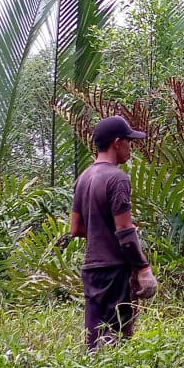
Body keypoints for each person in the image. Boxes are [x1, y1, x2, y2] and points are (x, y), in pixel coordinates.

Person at [69, 115, 159, 350]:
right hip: (114, 271)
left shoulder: (83, 178)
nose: (131, 148)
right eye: (129, 142)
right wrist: (143, 269)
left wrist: (102, 230)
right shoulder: (117, 179)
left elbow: (76, 228)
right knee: (117, 340)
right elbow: (125, 232)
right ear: (117, 142)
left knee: (94, 339)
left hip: (91, 270)